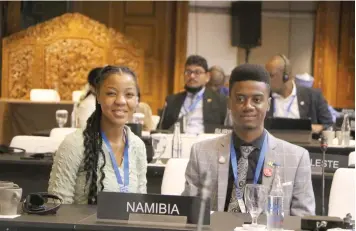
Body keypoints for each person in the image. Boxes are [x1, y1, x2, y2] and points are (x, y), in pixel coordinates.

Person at [182, 64, 315, 216]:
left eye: (257, 100)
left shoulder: (297, 158)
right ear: (229, 103)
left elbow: (304, 221)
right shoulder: (202, 153)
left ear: (268, 104)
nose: (248, 106)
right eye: (240, 99)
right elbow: (189, 214)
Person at [48, 65, 147, 204]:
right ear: (98, 96)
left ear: (137, 101)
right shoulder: (75, 144)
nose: (120, 101)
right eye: (111, 93)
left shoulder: (138, 146)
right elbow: (58, 207)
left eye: (129, 94)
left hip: (128, 226)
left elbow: (140, 206)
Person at [158, 55, 227, 134]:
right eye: (188, 72)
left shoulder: (220, 101)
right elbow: (161, 130)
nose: (192, 76)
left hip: (205, 143)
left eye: (197, 72)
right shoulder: (171, 100)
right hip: (177, 143)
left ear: (207, 77)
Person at [265, 54, 333, 133]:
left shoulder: (313, 96)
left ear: (286, 76)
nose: (267, 80)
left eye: (271, 75)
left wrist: (315, 128)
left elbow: (329, 125)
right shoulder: (264, 98)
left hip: (304, 145)